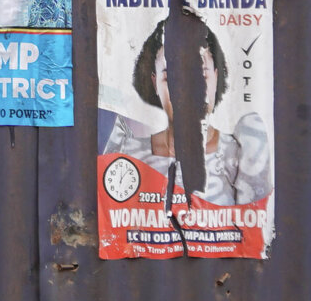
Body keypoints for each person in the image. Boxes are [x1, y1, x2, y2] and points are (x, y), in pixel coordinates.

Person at [99, 16, 273, 208]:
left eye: (200, 74)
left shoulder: (241, 152)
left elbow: (254, 229)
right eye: (171, 77)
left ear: (216, 76)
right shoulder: (127, 151)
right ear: (155, 83)